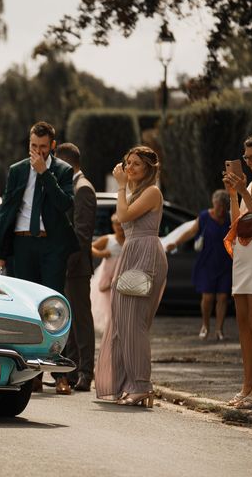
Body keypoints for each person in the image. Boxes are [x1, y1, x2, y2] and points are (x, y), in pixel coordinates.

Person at [0, 121, 79, 392]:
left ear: (52, 146)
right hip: (22, 244)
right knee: (26, 308)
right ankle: (32, 375)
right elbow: (7, 209)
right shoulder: (17, 170)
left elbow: (65, 204)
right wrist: (0, 252)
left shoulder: (63, 170)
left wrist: (44, 174)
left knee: (53, 307)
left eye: (43, 148)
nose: (37, 152)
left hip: (51, 245)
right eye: (33, 147)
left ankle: (60, 373)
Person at [95, 146, 168, 408]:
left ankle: (141, 385)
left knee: (134, 323)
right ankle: (125, 383)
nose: (130, 168)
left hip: (146, 254)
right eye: (128, 163)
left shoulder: (152, 192)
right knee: (122, 322)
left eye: (136, 164)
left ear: (149, 168)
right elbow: (124, 221)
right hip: (131, 253)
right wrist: (125, 187)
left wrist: (120, 186)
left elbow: (123, 216)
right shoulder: (135, 191)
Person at [52, 143, 97, 394]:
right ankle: (70, 370)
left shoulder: (83, 189)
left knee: (81, 321)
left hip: (76, 266)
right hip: (66, 264)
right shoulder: (71, 188)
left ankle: (86, 373)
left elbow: (82, 234)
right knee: (68, 321)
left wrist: (66, 263)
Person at [166, 190, 232, 340]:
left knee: (222, 297)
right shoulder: (204, 217)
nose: (220, 210)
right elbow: (190, 232)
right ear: (213, 203)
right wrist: (175, 242)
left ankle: (219, 330)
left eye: (223, 206)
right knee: (208, 297)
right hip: (207, 263)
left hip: (225, 263)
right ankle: (205, 325)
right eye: (218, 206)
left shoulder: (229, 218)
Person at [222, 135, 252, 410]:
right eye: (246, 158)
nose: (249, 162)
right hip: (243, 259)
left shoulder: (251, 187)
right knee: (243, 326)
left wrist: (243, 192)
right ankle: (247, 386)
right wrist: (234, 194)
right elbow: (237, 222)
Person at [90, 213, 125, 334]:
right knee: (108, 305)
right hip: (108, 278)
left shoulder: (129, 240)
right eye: (117, 225)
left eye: (122, 225)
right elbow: (90, 247)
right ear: (113, 225)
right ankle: (110, 329)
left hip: (123, 278)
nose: (119, 228)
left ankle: (120, 327)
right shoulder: (108, 239)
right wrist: (101, 254)